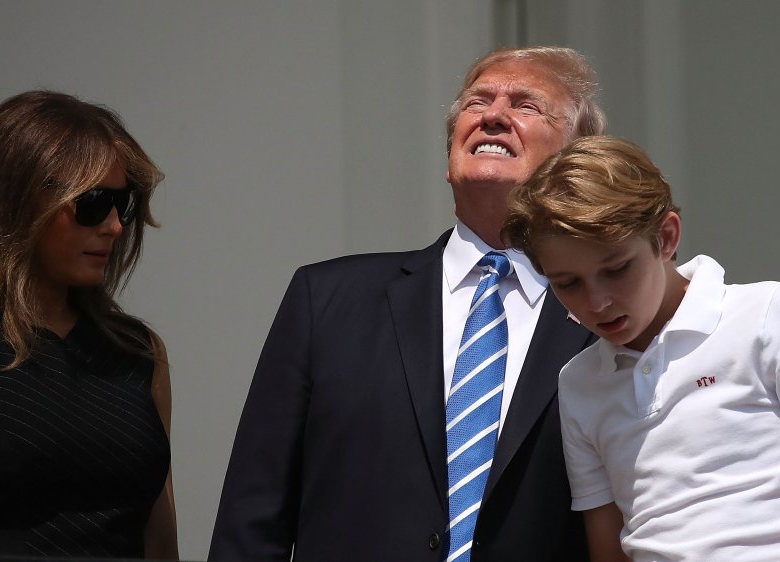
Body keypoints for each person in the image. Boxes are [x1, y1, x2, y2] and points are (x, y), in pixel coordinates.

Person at [209, 46, 605, 562]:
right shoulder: (326, 300)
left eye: (526, 106)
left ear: (577, 161)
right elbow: (252, 516)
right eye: (477, 102)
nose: (492, 115)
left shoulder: (608, 320)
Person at [501, 135, 780, 561]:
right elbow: (609, 552)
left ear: (665, 237)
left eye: (617, 269)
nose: (597, 302)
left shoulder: (767, 314)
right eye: (568, 283)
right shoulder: (579, 382)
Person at [0, 90, 178, 559]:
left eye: (121, 204)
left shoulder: (139, 354)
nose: (115, 227)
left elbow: (160, 543)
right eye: (93, 202)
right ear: (18, 203)